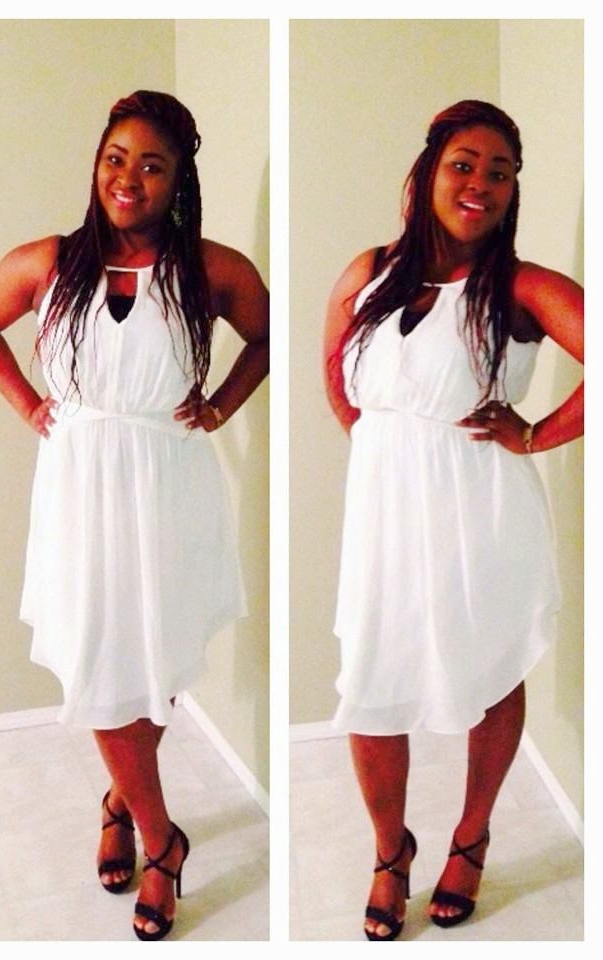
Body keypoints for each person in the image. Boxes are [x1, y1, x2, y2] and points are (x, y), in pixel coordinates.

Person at [0, 91, 269, 940]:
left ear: (179, 180)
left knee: (154, 657)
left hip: (170, 481)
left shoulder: (212, 268)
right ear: (95, 163)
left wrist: (221, 405)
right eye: (116, 158)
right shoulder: (47, 262)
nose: (129, 178)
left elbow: (267, 336)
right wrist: (30, 404)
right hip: (79, 485)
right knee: (100, 659)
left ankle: (118, 798)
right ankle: (162, 838)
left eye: (152, 164)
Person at [323, 101, 583, 941]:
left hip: (481, 508)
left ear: (513, 192)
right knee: (371, 681)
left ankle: (471, 837)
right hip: (384, 508)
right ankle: (390, 850)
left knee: (490, 668)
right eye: (464, 164)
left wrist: (536, 434)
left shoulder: (521, 286)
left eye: (500, 172)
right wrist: (381, 445)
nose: (481, 183)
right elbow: (335, 367)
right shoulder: (369, 271)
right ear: (427, 173)